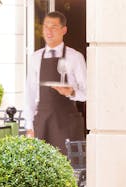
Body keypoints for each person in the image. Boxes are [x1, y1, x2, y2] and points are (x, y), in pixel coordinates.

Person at [25, 11, 86, 155]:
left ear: (64, 30)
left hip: (67, 122)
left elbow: (88, 93)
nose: (48, 31)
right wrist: (29, 126)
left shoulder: (75, 57)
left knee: (68, 170)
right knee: (42, 170)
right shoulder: (35, 58)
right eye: (46, 26)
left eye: (53, 27)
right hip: (42, 122)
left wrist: (71, 92)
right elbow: (30, 93)